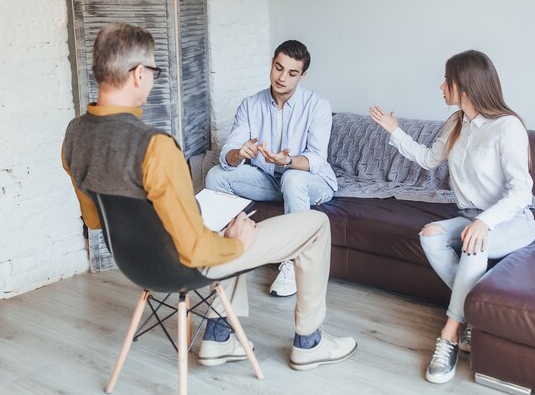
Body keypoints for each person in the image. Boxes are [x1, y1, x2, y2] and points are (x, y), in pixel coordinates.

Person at [62, 22, 356, 371]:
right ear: (139, 75)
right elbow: (197, 248)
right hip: (185, 264)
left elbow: (95, 221)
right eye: (154, 70)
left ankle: (219, 337)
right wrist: (237, 244)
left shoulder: (73, 136)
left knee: (223, 217)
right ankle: (309, 342)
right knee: (315, 224)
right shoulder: (155, 147)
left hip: (135, 267)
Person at [369, 50, 535, 384]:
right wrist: (394, 131)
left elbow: (521, 190)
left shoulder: (507, 127)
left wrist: (485, 222)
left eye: (447, 80)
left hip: (512, 219)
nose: (441, 85)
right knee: (430, 234)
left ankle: (450, 333)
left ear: (464, 85)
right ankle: (474, 315)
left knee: (474, 243)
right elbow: (429, 159)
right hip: (470, 216)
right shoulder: (455, 123)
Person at [205, 40, 337, 298]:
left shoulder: (317, 106)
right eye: (279, 68)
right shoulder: (250, 105)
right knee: (216, 175)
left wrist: (286, 161)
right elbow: (228, 153)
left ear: (303, 75)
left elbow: (316, 159)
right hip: (268, 180)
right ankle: (222, 252)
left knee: (293, 179)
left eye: (292, 73)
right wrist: (237, 154)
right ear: (272, 64)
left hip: (311, 180)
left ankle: (293, 263)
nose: (282, 77)